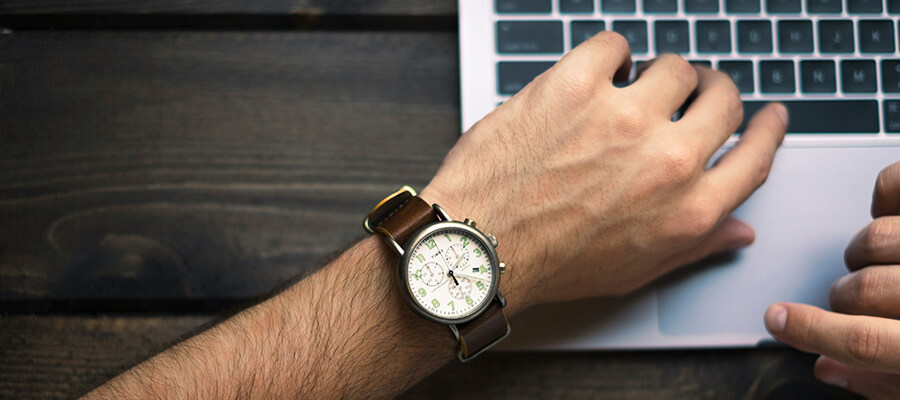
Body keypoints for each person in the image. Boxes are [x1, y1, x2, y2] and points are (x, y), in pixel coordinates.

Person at [81, 32, 896, 399]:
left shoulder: (455, 270)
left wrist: (504, 243)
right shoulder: (445, 266)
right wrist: (519, 239)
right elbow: (449, 263)